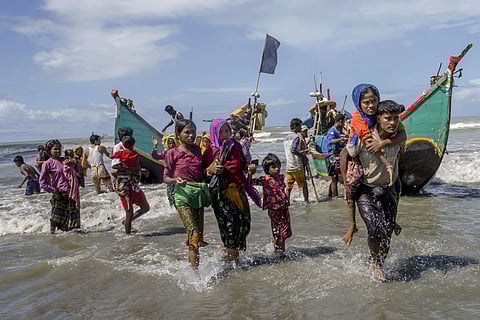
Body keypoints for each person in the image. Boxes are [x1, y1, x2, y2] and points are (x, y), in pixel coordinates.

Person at [345, 100, 405, 281]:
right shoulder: (364, 137)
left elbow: (402, 137)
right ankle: (376, 263)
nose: (392, 122)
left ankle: (378, 259)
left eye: (396, 118)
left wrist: (384, 143)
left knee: (387, 232)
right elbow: (345, 155)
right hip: (367, 190)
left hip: (390, 188)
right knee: (374, 229)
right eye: (388, 118)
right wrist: (346, 181)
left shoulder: (399, 135)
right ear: (378, 118)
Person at [204, 119, 261, 263]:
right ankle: (231, 263)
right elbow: (201, 174)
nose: (225, 135)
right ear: (214, 133)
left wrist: (249, 169)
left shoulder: (235, 146)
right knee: (231, 227)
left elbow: (242, 166)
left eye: (227, 131)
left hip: (239, 191)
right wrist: (210, 170)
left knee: (245, 224)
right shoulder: (211, 151)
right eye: (221, 132)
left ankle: (228, 252)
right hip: (221, 194)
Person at [164, 119, 210, 270]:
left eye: (193, 132)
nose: (191, 136)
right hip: (182, 196)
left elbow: (202, 172)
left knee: (197, 238)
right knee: (193, 232)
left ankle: (194, 268)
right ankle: (195, 275)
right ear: (178, 134)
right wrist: (175, 180)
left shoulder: (197, 150)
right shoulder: (172, 153)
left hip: (197, 196)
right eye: (187, 132)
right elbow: (165, 177)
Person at [248, 153, 291, 254]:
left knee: (285, 233)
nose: (277, 169)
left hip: (284, 208)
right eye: (274, 167)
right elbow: (249, 183)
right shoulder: (265, 180)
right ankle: (279, 252)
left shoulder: (281, 177)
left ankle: (278, 249)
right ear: (267, 169)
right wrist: (250, 174)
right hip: (274, 210)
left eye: (278, 166)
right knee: (279, 233)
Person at [39, 140, 81, 234]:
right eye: (55, 149)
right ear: (49, 150)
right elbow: (42, 181)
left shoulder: (65, 161)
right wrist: (52, 190)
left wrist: (75, 163)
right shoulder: (47, 163)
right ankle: (52, 236)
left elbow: (78, 172)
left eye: (59, 149)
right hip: (58, 194)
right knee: (55, 219)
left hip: (71, 193)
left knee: (73, 219)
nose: (58, 151)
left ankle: (75, 238)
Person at [112, 136, 150, 234]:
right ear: (133, 145)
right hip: (123, 185)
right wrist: (135, 170)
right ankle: (128, 235)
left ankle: (126, 222)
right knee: (129, 211)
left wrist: (136, 170)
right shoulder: (126, 155)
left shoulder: (121, 154)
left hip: (132, 184)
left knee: (145, 207)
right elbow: (115, 168)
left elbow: (114, 167)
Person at [284, 118, 309, 203]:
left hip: (289, 166)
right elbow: (293, 150)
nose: (301, 128)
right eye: (300, 126)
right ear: (296, 126)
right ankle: (306, 201)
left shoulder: (286, 138)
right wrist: (302, 154)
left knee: (289, 187)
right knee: (304, 185)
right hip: (297, 165)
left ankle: (287, 203)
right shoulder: (296, 137)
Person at [152, 133, 178, 207]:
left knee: (176, 195)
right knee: (170, 195)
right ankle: (173, 212)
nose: (171, 145)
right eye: (169, 143)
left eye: (173, 143)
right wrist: (155, 146)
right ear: (167, 143)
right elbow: (155, 156)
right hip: (169, 177)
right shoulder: (166, 153)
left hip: (178, 176)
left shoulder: (179, 152)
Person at [327, 113, 347, 198]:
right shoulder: (332, 130)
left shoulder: (337, 131)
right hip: (332, 157)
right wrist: (341, 139)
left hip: (336, 156)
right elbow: (330, 141)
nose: (344, 124)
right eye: (343, 122)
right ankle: (335, 197)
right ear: (340, 122)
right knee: (334, 179)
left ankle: (330, 195)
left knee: (334, 178)